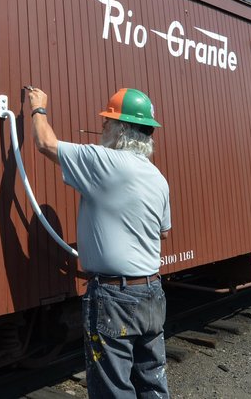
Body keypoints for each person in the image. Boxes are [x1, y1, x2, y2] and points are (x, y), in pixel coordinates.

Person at [26, 86, 171, 398]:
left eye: (106, 123)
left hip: (115, 297)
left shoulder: (104, 161)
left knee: (113, 389)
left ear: (120, 129)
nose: (102, 129)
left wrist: (38, 108)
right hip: (152, 292)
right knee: (152, 382)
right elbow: (163, 232)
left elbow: (45, 143)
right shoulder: (158, 178)